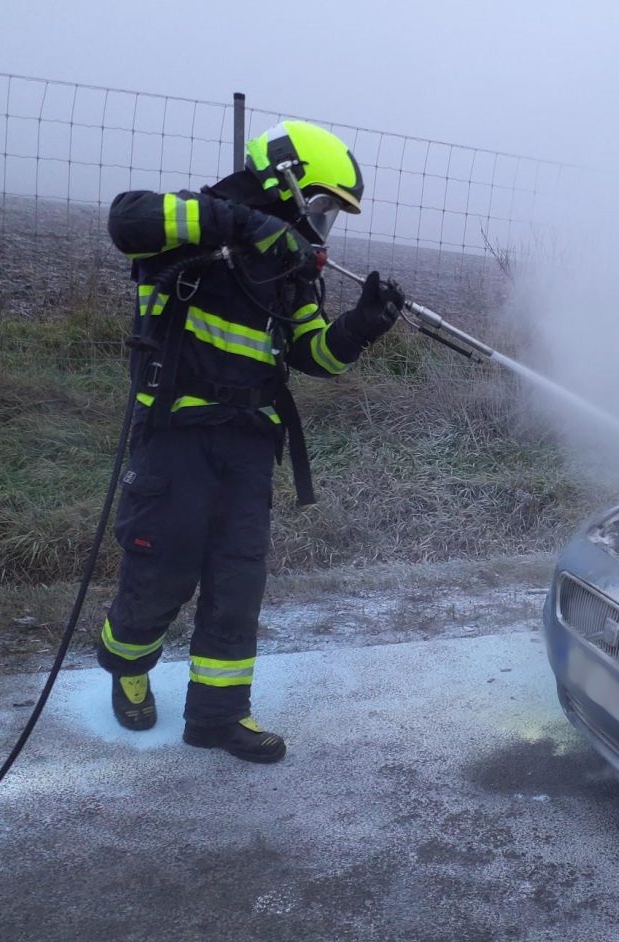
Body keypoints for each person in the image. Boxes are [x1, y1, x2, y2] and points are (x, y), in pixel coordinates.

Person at [96, 120, 404, 763]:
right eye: (321, 205)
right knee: (163, 571)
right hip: (175, 437)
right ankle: (126, 661)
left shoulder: (288, 273)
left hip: (246, 447)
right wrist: (244, 225)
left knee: (238, 583)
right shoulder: (196, 230)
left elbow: (314, 353)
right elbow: (128, 219)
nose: (323, 224)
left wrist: (362, 326)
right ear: (281, 182)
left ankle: (217, 715)